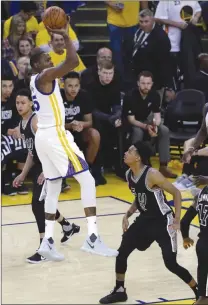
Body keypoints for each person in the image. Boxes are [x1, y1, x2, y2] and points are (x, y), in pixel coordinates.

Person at [29, 21, 117, 261]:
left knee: (54, 186)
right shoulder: (45, 76)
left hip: (44, 138)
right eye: (46, 58)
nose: (50, 61)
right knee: (87, 180)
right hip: (56, 136)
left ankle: (47, 242)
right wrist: (66, 37)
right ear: (37, 64)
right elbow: (71, 63)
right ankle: (92, 238)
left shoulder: (34, 79)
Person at [99, 141, 198, 304]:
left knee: (170, 263)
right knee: (122, 251)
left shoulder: (152, 174)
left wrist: (177, 220)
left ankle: (198, 291)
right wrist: (128, 214)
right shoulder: (129, 174)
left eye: (130, 151)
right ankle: (119, 290)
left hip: (162, 221)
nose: (125, 153)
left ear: (138, 157)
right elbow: (139, 197)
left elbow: (176, 193)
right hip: (145, 220)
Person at [12, 89, 80, 263]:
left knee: (37, 204)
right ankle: (67, 226)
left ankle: (45, 247)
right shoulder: (22, 123)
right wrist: (23, 174)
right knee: (42, 203)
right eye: (17, 103)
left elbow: (52, 146)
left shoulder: (36, 121)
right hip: (40, 166)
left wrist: (47, 170)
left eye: (23, 103)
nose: (20, 106)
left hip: (52, 165)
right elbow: (31, 153)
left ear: (31, 104)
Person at [123, 71, 177, 178]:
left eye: (148, 83)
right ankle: (136, 166)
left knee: (164, 130)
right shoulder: (130, 96)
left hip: (146, 121)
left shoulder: (155, 95)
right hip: (131, 123)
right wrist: (146, 127)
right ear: (138, 83)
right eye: (143, 83)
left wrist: (155, 126)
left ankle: (163, 166)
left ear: (152, 84)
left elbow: (157, 115)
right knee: (138, 132)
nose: (146, 86)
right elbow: (131, 120)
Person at [62, 71, 105, 185]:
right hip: (62, 132)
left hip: (80, 131)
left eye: (76, 86)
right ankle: (61, 175)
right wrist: (70, 125)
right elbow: (54, 124)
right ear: (63, 85)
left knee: (94, 134)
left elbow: (89, 122)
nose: (73, 89)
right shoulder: (57, 97)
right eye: (70, 86)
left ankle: (87, 168)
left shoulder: (84, 96)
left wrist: (81, 124)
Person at [181, 183, 208, 305]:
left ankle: (201, 298)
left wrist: (186, 237)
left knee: (202, 270)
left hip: (202, 244)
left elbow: (184, 221)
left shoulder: (201, 194)